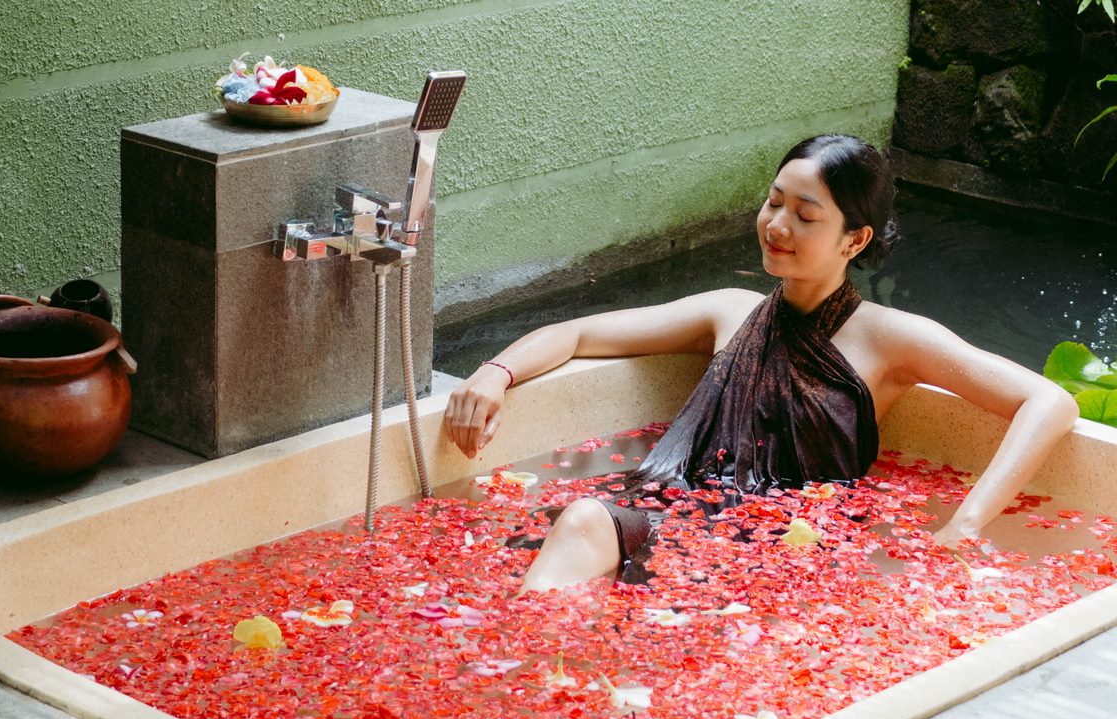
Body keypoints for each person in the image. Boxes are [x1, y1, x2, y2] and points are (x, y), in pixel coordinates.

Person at [443, 134, 1079, 594]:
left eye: (805, 216)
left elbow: (1048, 401)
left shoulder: (891, 339)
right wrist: (494, 373)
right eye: (774, 202)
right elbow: (580, 333)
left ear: (854, 239)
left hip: (789, 551)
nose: (776, 225)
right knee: (585, 521)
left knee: (587, 527)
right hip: (680, 514)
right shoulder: (731, 311)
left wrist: (962, 526)